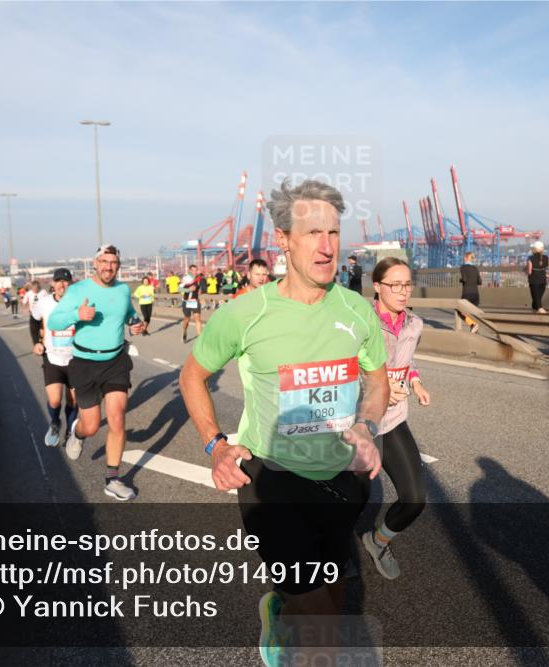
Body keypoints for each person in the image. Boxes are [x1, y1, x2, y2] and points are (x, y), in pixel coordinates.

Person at [179, 180, 388, 666]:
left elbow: (377, 382)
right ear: (283, 240)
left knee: (332, 603)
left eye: (334, 232)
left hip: (341, 480)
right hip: (271, 481)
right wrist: (216, 445)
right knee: (322, 635)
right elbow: (193, 375)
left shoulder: (357, 311)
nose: (327, 245)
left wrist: (368, 428)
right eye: (313, 232)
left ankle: (279, 609)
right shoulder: (245, 314)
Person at [48, 245, 145, 500]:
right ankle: (77, 433)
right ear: (95, 263)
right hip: (84, 363)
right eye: (104, 261)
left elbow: (129, 314)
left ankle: (113, 479)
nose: (108, 267)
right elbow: (54, 321)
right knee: (91, 426)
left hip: (115, 362)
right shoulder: (78, 290)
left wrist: (136, 324)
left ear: (118, 265)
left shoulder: (123, 290)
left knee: (117, 417)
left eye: (113, 262)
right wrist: (76, 315)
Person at [363, 257, 430, 580]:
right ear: (377, 287)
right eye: (395, 285)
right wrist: (382, 386)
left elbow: (408, 359)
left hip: (392, 420)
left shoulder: (414, 324)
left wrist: (414, 381)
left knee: (415, 499)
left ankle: (378, 541)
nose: (403, 292)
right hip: (356, 423)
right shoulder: (361, 322)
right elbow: (342, 367)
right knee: (344, 503)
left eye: (407, 285)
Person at [32, 268, 79, 447]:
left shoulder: (78, 302)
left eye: (65, 281)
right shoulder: (44, 303)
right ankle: (55, 423)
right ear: (53, 284)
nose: (62, 284)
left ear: (70, 284)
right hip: (51, 357)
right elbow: (34, 320)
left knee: (73, 399)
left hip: (75, 359)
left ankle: (70, 431)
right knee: (54, 399)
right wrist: (36, 341)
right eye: (58, 281)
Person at [526, 241, 549, 313]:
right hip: (543, 280)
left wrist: (525, 271)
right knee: (538, 297)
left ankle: (539, 309)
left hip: (534, 280)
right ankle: (534, 308)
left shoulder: (530, 258)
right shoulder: (546, 258)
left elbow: (529, 272)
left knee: (536, 297)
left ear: (534, 249)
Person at [459, 252, 482, 333]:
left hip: (467, 293)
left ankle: (473, 324)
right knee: (473, 313)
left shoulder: (463, 267)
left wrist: (460, 280)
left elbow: (464, 279)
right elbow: (479, 282)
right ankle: (475, 327)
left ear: (466, 258)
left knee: (460, 311)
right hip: (475, 294)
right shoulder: (475, 268)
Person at [179, 264, 203, 344]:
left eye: (196, 270)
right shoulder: (186, 278)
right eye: (193, 270)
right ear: (189, 270)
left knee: (197, 318)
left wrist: (201, 297)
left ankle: (200, 338)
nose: (195, 272)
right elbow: (179, 288)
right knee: (187, 319)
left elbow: (199, 290)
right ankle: (184, 331)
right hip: (186, 301)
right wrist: (188, 289)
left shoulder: (198, 279)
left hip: (195, 301)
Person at [26, 281, 43, 349]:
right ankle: (36, 345)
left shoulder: (43, 292)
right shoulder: (29, 293)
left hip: (42, 315)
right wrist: (26, 307)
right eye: (33, 289)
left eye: (36, 289)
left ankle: (42, 342)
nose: (35, 290)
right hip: (33, 315)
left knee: (42, 332)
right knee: (34, 330)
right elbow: (24, 301)